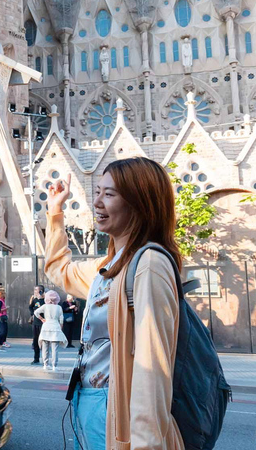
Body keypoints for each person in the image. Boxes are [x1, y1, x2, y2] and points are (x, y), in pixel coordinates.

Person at [45, 157, 185, 450]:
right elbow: (60, 270)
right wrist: (55, 212)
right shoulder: (110, 266)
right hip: (93, 407)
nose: (97, 202)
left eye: (109, 194)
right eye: (98, 192)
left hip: (118, 415)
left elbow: (152, 366)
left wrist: (147, 444)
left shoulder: (149, 264)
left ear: (140, 203)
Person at [33, 290, 67, 370]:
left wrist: (42, 319)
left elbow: (36, 312)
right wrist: (60, 328)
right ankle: (54, 366)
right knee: (54, 348)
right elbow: (61, 319)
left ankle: (45, 364)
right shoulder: (59, 307)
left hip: (46, 327)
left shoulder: (45, 306)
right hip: (55, 327)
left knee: (45, 347)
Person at [28, 285, 46, 364]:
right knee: (35, 340)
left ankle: (45, 359)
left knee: (43, 342)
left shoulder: (45, 301)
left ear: (41, 291)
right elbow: (30, 307)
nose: (35, 291)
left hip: (43, 323)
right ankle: (36, 358)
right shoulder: (35, 300)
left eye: (36, 290)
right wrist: (32, 314)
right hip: (35, 323)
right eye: (34, 289)